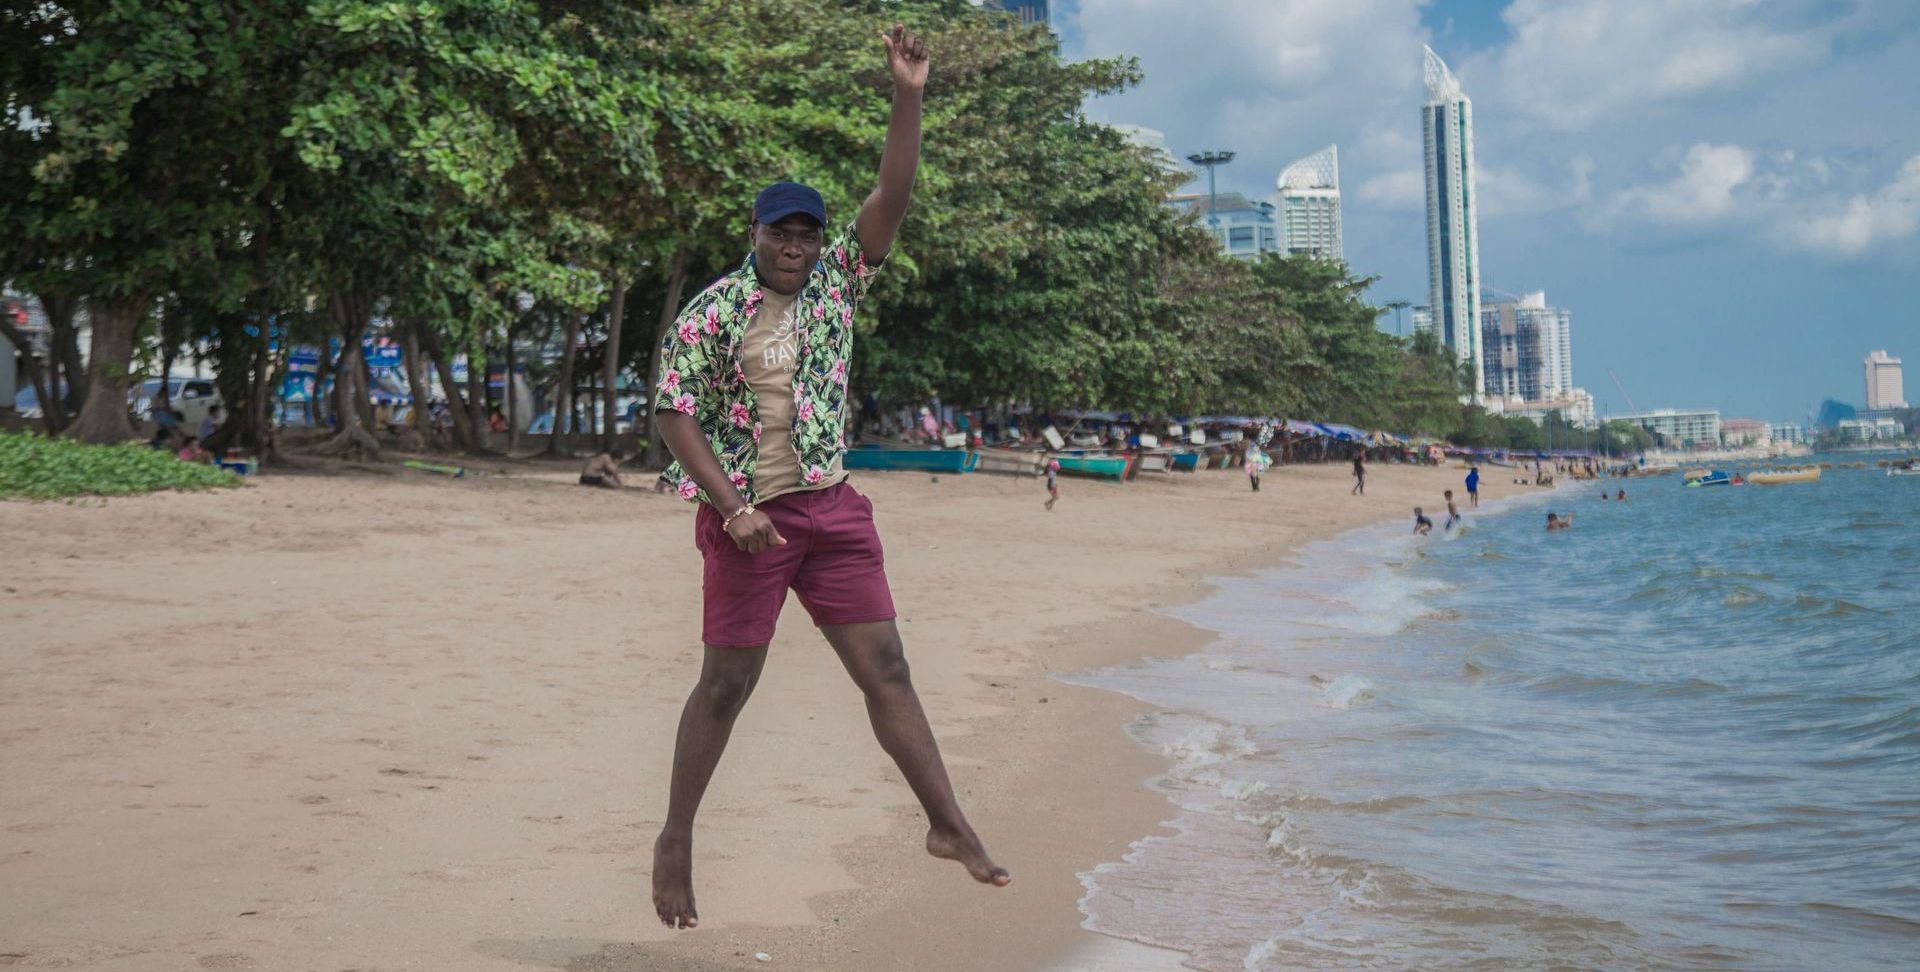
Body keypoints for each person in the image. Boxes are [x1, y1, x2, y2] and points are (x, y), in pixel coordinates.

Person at [647, 25, 1005, 933]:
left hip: (833, 508)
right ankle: (677, 837)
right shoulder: (713, 311)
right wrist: (730, 511)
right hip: (748, 519)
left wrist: (908, 93)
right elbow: (671, 412)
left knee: (887, 666)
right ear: (756, 234)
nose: (799, 245)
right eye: (784, 231)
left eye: (809, 232)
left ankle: (947, 823)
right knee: (727, 685)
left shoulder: (842, 280)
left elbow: (892, 190)